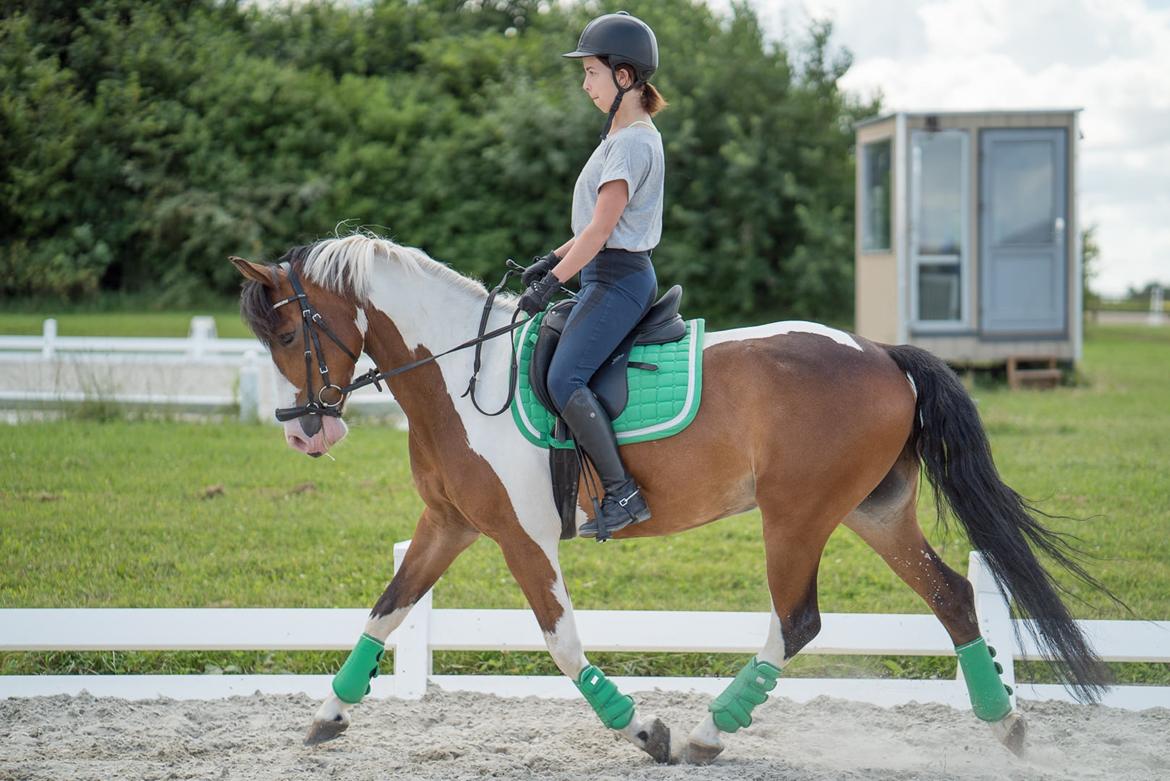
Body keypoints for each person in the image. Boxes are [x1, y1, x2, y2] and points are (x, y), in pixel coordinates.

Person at [516, 11, 668, 539]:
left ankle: (623, 493)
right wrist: (549, 260)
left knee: (564, 378)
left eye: (591, 73)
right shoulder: (621, 137)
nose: (585, 84)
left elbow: (602, 232)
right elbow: (592, 229)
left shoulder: (630, 143)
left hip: (618, 278)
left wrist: (553, 282)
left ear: (623, 76)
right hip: (606, 273)